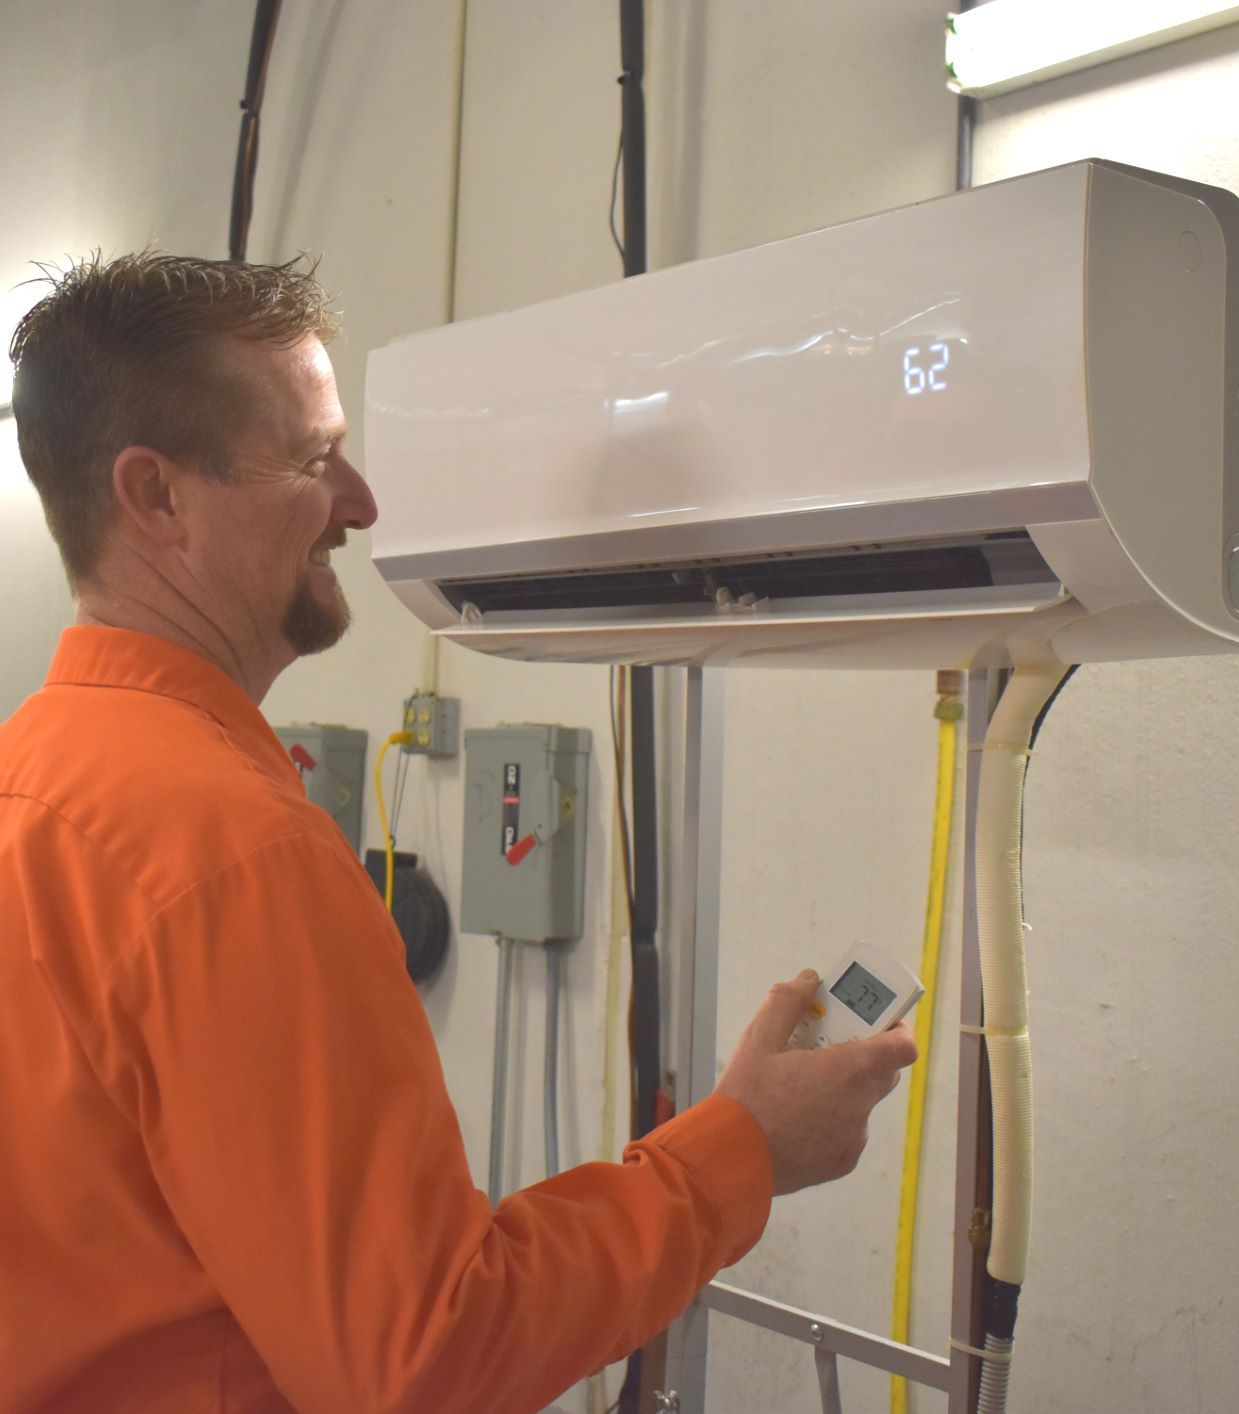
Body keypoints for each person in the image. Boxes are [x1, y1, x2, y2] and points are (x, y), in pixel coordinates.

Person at [0, 252, 918, 1413]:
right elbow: (422, 1357)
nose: (361, 500)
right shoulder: (236, 850)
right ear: (157, 496)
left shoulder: (29, 780)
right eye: (310, 457)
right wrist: (740, 1154)